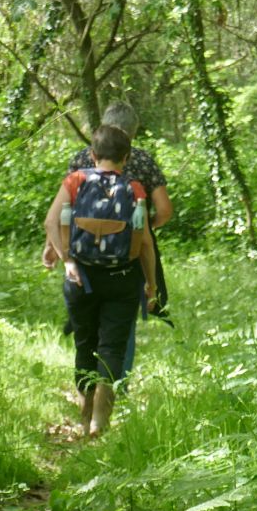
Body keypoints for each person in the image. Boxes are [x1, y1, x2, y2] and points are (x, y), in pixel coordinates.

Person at [42, 124, 158, 436]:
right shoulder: (134, 189)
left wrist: (66, 258)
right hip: (122, 279)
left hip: (81, 277)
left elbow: (50, 221)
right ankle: (100, 421)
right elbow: (145, 242)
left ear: (93, 154)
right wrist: (152, 284)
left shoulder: (75, 180)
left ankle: (84, 412)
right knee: (113, 347)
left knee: (85, 342)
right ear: (127, 156)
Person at [44, 101, 173, 376]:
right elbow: (165, 210)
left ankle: (88, 386)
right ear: (132, 134)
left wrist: (55, 249)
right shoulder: (142, 161)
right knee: (122, 323)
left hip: (82, 254)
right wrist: (141, 231)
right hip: (129, 256)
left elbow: (61, 213)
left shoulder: (82, 160)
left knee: (87, 325)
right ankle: (115, 386)